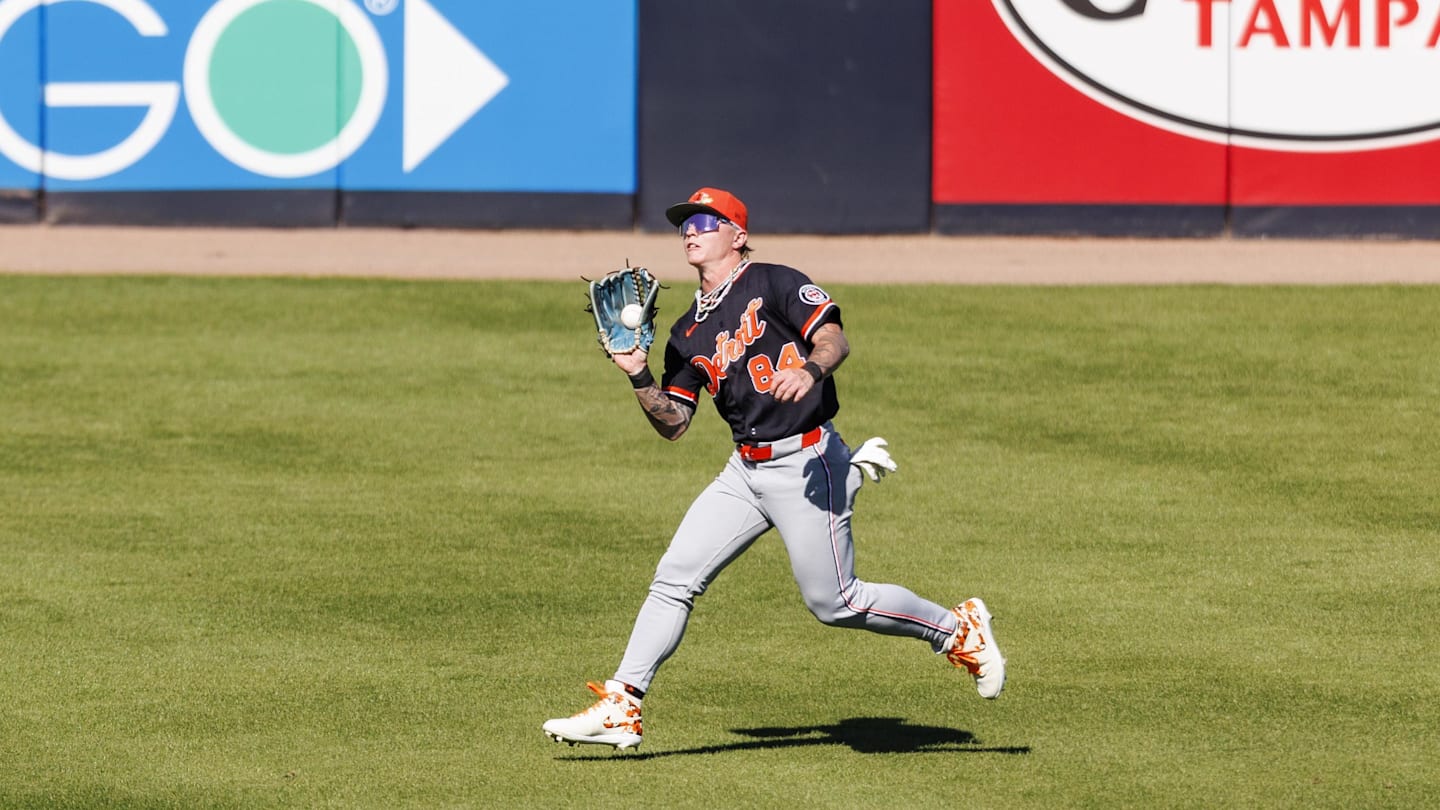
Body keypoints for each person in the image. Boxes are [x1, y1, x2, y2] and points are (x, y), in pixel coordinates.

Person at [542, 187, 1005, 751]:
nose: (692, 230)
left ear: (737, 235)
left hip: (807, 459)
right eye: (685, 223)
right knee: (674, 578)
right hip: (745, 470)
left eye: (706, 221)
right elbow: (675, 423)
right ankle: (623, 704)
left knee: (835, 603)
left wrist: (811, 371)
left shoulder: (774, 281)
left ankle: (958, 630)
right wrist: (638, 375)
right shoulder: (686, 331)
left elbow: (835, 338)